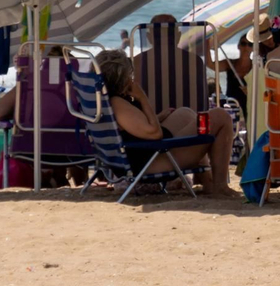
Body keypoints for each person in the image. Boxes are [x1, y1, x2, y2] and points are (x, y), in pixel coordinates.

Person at [94, 49, 236, 197]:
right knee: (220, 116)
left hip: (146, 153)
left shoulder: (104, 101)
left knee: (184, 113)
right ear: (121, 77)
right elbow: (155, 134)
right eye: (129, 75)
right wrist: (142, 98)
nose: (131, 78)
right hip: (155, 162)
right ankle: (220, 186)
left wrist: (158, 117)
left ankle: (206, 181)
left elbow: (132, 128)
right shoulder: (118, 104)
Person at [216, 35, 254, 105]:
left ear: (253, 48)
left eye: (250, 44)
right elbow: (211, 64)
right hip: (231, 107)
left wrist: (251, 92)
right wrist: (208, 43)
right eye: (243, 43)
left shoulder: (256, 67)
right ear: (238, 46)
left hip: (249, 108)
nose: (246, 47)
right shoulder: (230, 64)